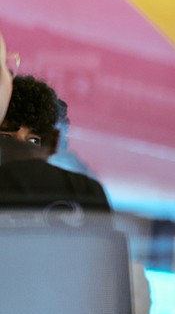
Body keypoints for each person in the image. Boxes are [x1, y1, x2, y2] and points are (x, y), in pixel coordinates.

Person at [0, 71, 110, 213]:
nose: (20, 148)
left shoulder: (84, 191)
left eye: (33, 141)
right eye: (6, 138)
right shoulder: (84, 191)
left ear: (51, 145)